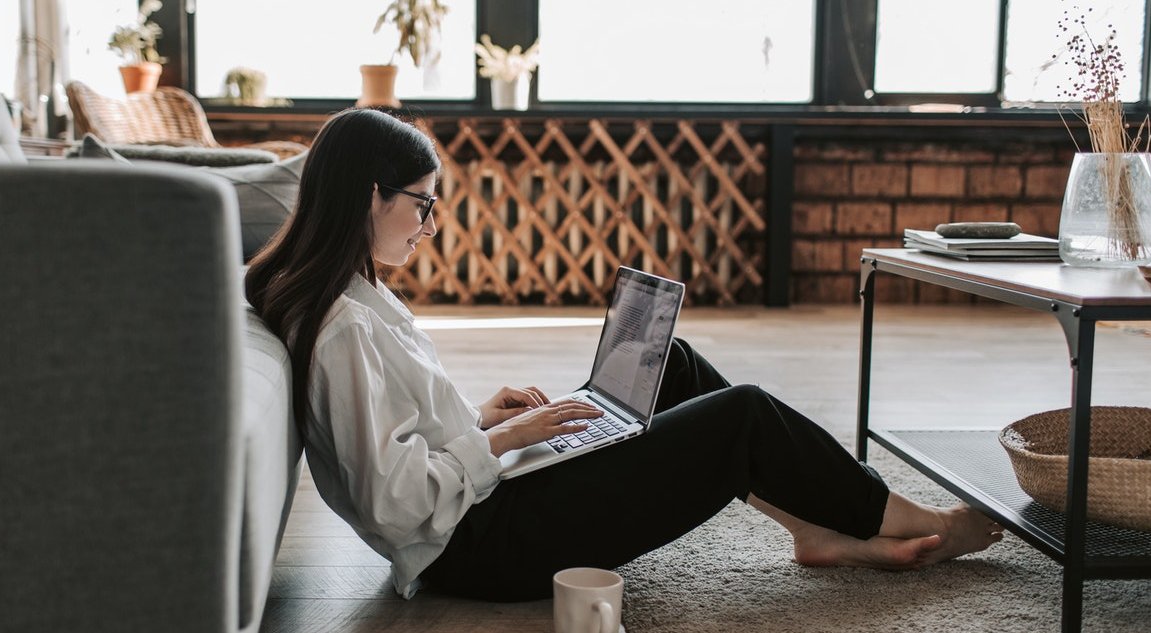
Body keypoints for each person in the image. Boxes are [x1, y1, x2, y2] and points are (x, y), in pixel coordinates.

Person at [245, 108, 1005, 602]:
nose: (431, 224)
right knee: (742, 416)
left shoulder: (354, 295)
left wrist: (482, 415)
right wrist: (502, 441)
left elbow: (396, 441)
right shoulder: (344, 324)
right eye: (423, 204)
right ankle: (910, 518)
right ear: (370, 195)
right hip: (476, 548)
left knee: (667, 363)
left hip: (481, 505)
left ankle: (813, 526)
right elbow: (395, 502)